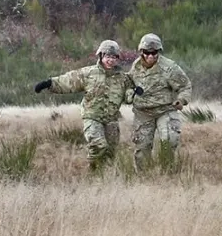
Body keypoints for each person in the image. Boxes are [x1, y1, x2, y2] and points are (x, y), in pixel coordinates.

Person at [34, 40, 134, 169]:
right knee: (98, 145)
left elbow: (129, 95)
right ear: (101, 56)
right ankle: (93, 169)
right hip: (92, 117)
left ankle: (103, 179)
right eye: (108, 56)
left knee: (110, 154)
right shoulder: (89, 73)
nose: (111, 60)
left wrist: (134, 94)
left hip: (111, 120)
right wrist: (49, 84)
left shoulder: (123, 78)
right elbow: (69, 81)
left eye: (114, 57)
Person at [127, 33, 192, 169]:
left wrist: (181, 100)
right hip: (143, 113)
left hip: (165, 110)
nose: (150, 56)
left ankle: (167, 172)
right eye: (147, 52)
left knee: (169, 140)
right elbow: (129, 83)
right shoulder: (136, 66)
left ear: (159, 52)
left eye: (154, 53)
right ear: (141, 52)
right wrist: (129, 94)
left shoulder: (169, 68)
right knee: (142, 147)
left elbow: (185, 86)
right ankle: (145, 178)